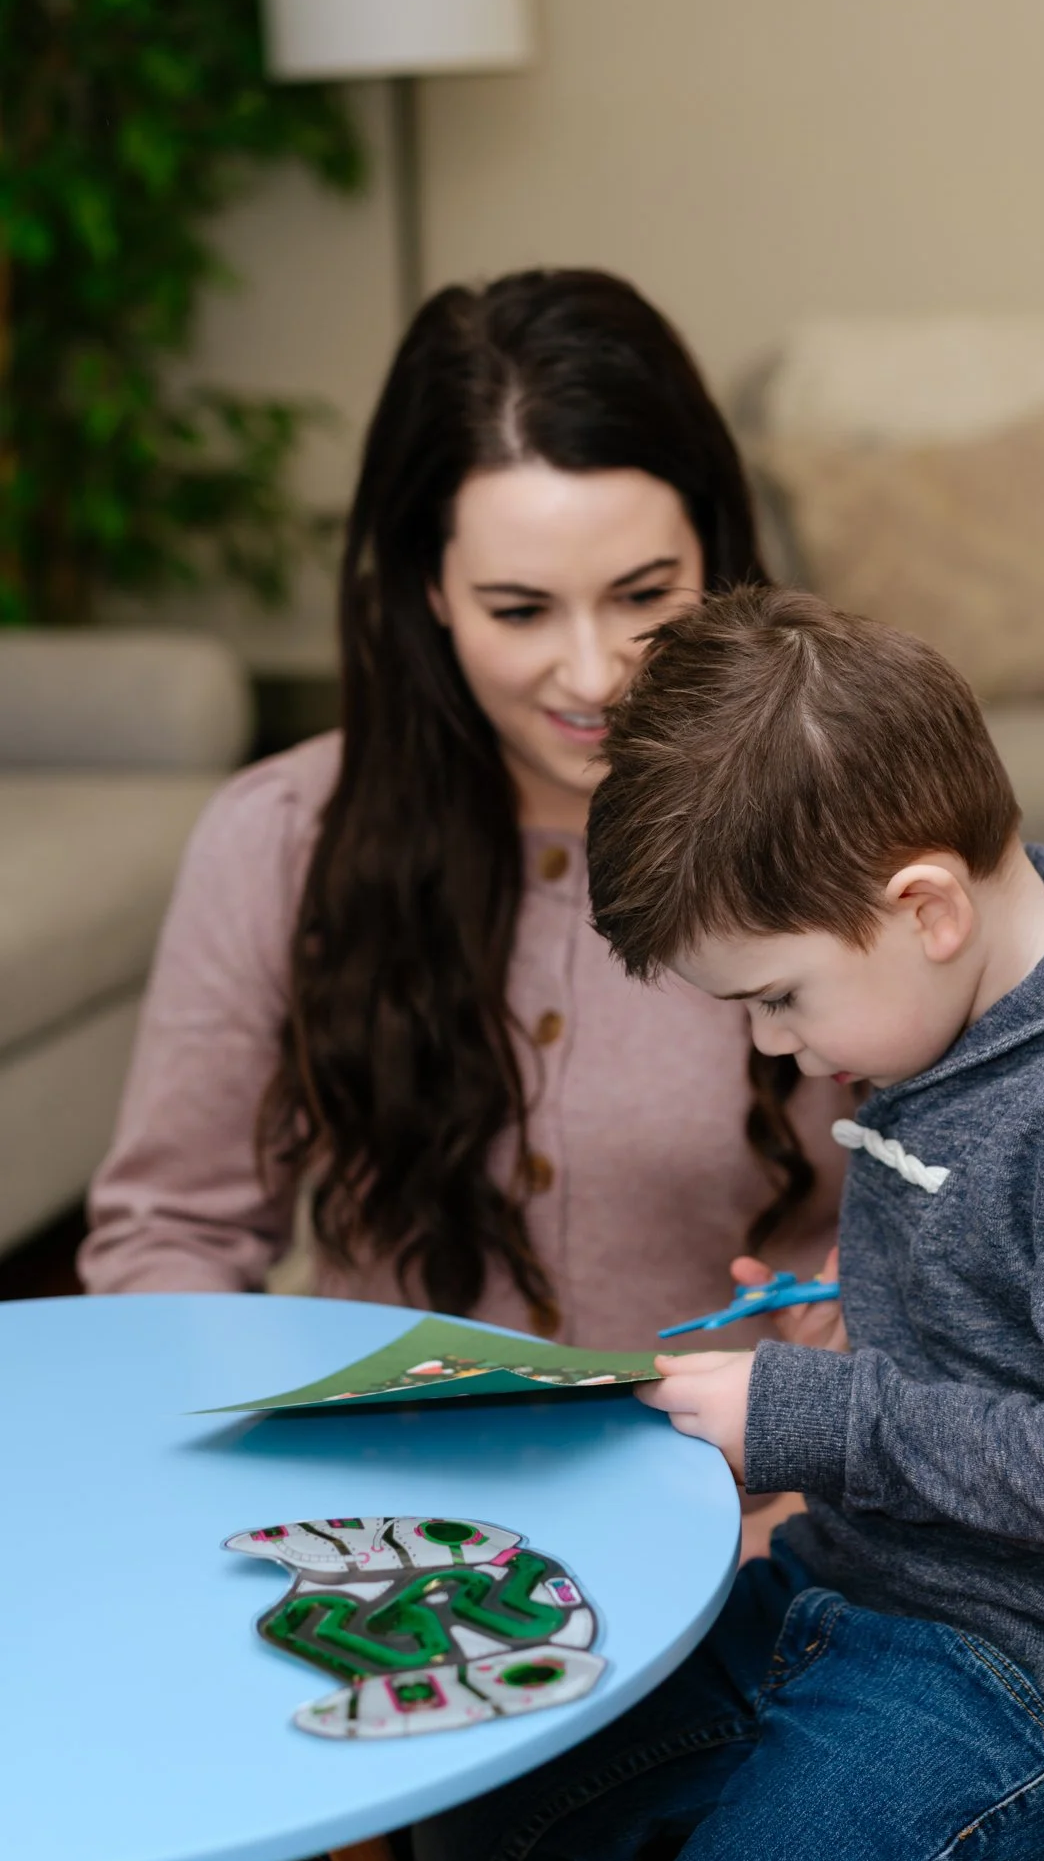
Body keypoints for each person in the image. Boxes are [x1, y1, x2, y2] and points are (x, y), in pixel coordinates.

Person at [415, 586, 1044, 1861]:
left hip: (1033, 1678)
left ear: (927, 906)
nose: (774, 1047)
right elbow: (1001, 1324)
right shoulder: (951, 1024)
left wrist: (803, 1416)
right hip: (853, 1588)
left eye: (777, 996)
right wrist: (842, 1318)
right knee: (487, 1828)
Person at [80, 273, 845, 1385]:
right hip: (390, 1518)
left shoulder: (843, 822)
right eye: (519, 609)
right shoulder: (283, 835)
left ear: (718, 557)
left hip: (763, 1515)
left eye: (645, 593)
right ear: (429, 590)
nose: (594, 673)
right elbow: (169, 1234)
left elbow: (973, 1229)